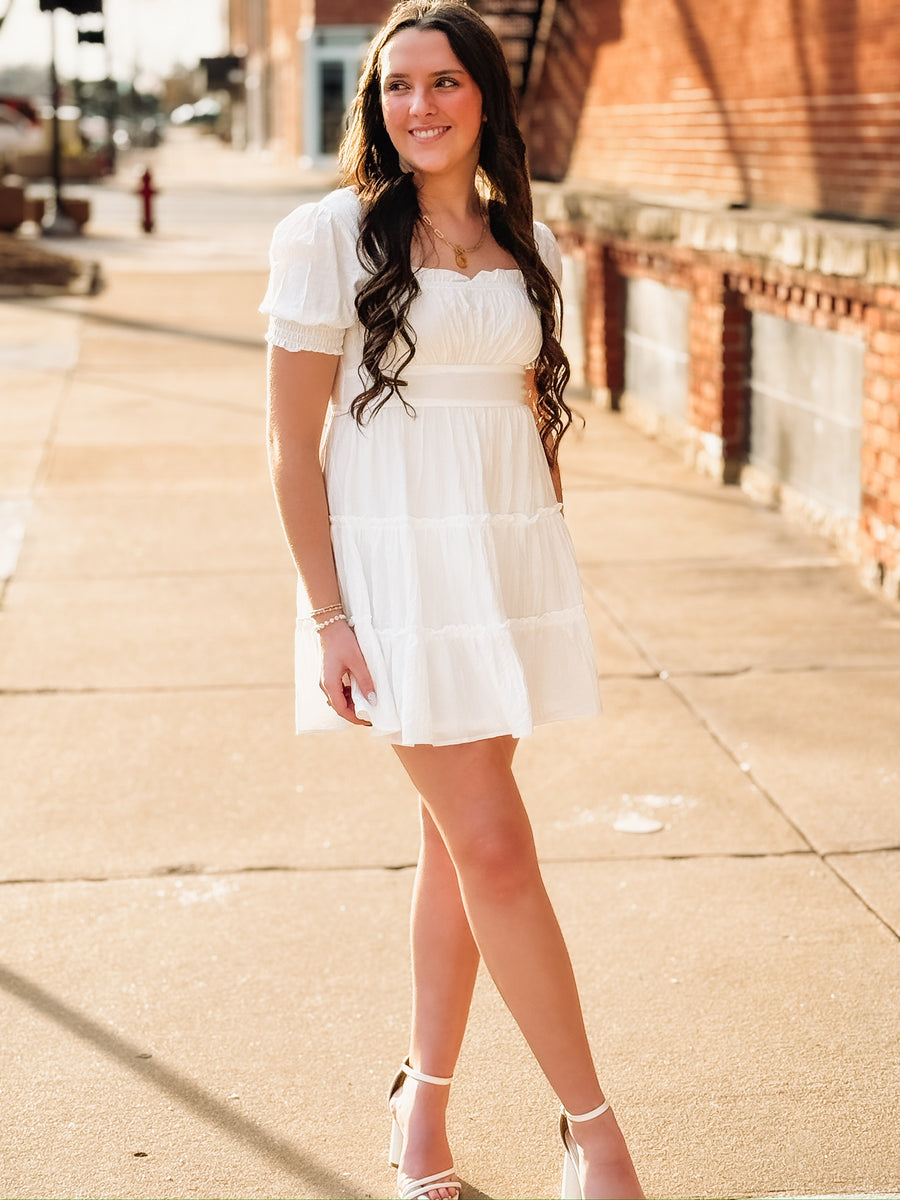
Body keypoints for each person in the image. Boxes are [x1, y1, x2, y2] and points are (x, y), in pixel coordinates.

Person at [262, 3, 644, 1197]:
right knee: (494, 843)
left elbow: (527, 412)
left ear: (484, 97)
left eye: (442, 83)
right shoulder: (330, 237)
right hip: (395, 577)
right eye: (395, 87)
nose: (417, 107)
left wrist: (543, 550)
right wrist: (328, 617)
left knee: (456, 850)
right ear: (374, 107)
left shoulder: (519, 236)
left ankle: (417, 1116)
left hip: (506, 565)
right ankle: (594, 1134)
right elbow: (287, 448)